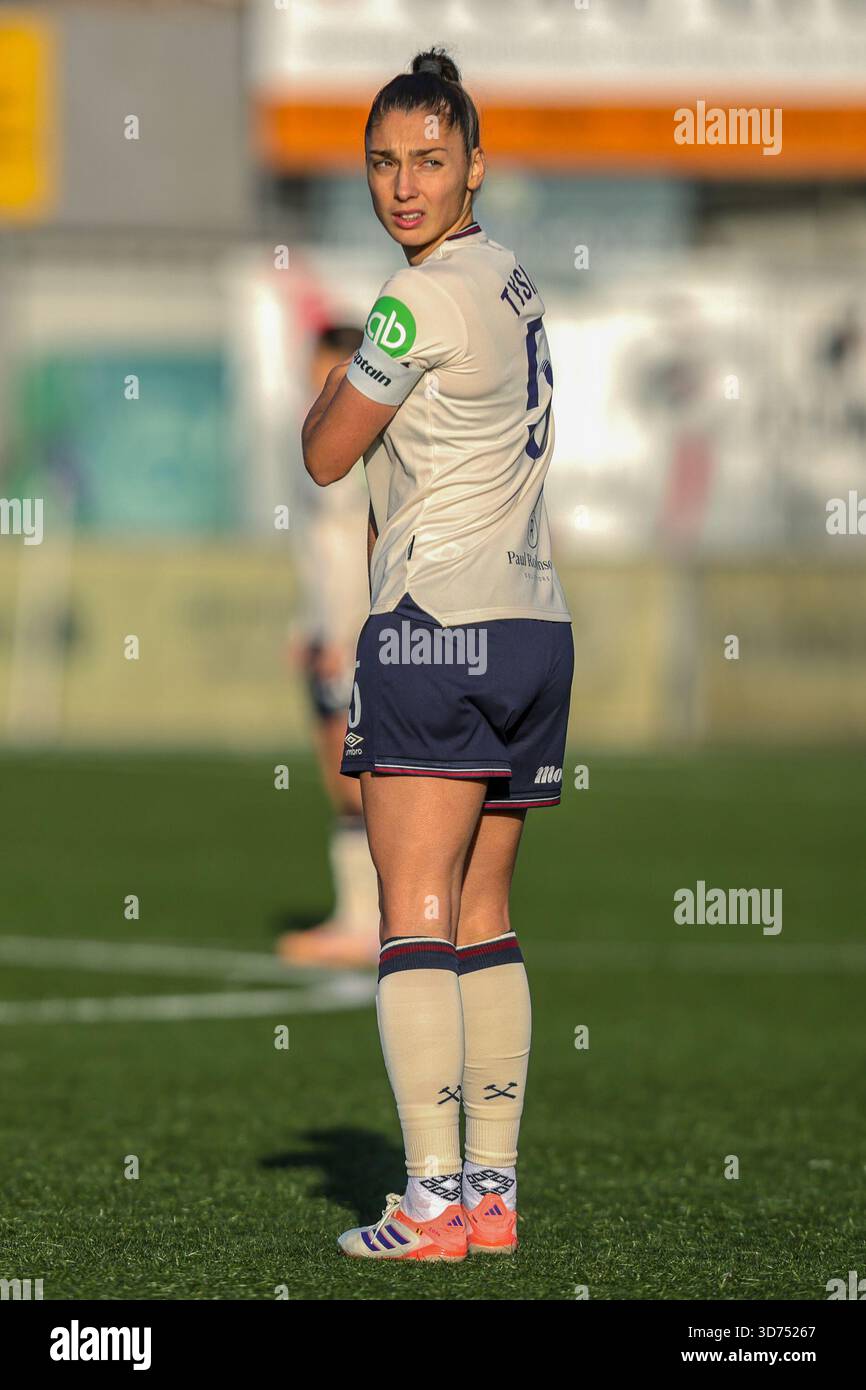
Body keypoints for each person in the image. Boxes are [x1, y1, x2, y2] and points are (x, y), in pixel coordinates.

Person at [301, 47, 574, 1261]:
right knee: (484, 912)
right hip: (533, 627)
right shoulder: (510, 278)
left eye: (427, 159)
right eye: (382, 161)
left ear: (472, 165)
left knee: (412, 914)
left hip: (434, 624)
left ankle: (426, 1201)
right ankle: (491, 1193)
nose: (402, 184)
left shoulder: (413, 301)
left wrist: (337, 392)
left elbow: (323, 450)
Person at [277, 324, 381, 968]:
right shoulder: (317, 431)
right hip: (329, 630)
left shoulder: (354, 438)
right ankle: (360, 916)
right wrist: (308, 625)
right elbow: (318, 552)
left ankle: (367, 921)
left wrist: (344, 630)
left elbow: (356, 543)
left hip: (354, 631)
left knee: (357, 778)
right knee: (338, 775)